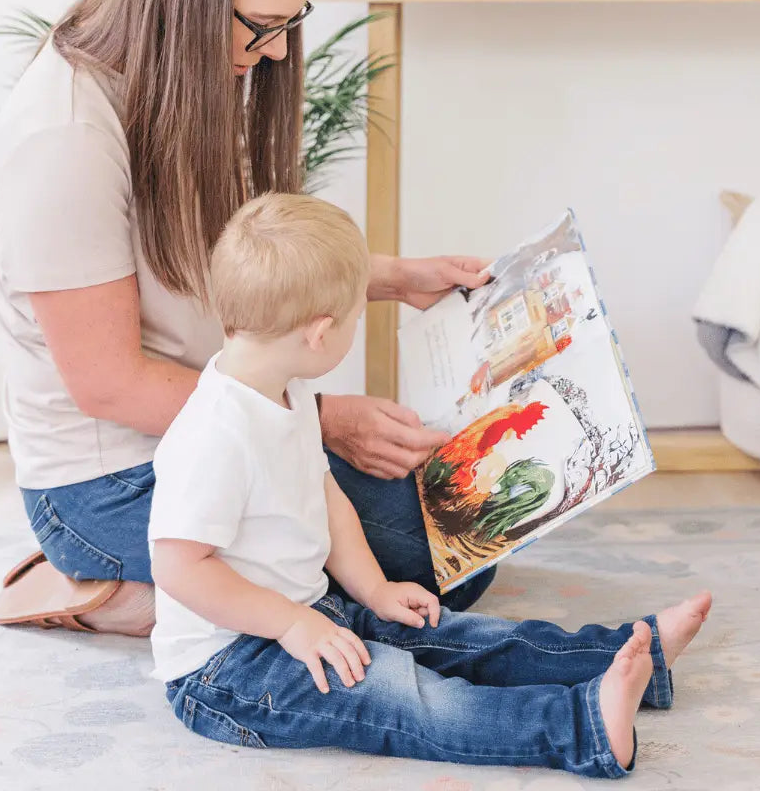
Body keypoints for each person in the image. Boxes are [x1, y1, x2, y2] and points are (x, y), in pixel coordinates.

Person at [0, 0, 492, 636]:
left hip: (219, 424)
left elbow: (239, 258)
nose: (281, 53)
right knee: (430, 564)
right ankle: (98, 582)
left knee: (469, 533)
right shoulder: (64, 141)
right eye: (264, 27)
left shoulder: (186, 75)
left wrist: (388, 276)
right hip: (107, 477)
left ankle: (197, 592)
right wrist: (314, 419)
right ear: (183, 0)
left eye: (293, 24)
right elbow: (109, 386)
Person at [150, 193, 712, 777]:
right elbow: (181, 567)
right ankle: (580, 728)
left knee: (455, 634)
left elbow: (326, 497)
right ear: (320, 333)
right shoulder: (212, 435)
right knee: (408, 696)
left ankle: (630, 654)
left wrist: (372, 591)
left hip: (313, 609)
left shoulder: (285, 395)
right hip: (227, 669)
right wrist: (292, 623)